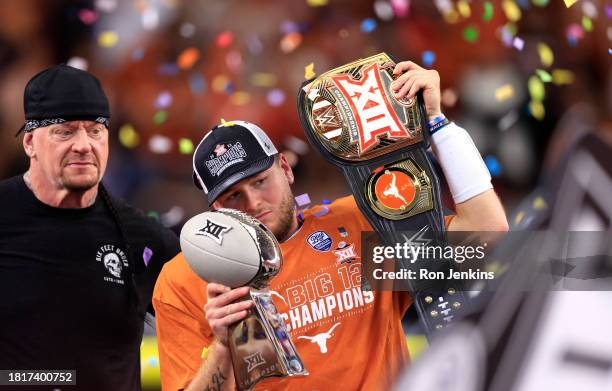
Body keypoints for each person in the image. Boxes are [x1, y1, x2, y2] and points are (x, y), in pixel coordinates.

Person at [153, 61, 509, 390]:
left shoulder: (358, 223)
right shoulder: (185, 280)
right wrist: (221, 345)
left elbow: (486, 233)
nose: (253, 202)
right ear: (214, 207)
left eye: (260, 181)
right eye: (233, 197)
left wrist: (437, 124)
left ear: (286, 168)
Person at [0, 64, 180, 390]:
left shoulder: (143, 239)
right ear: (29, 142)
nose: (84, 144)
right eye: (65, 131)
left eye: (95, 130)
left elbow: (209, 331)